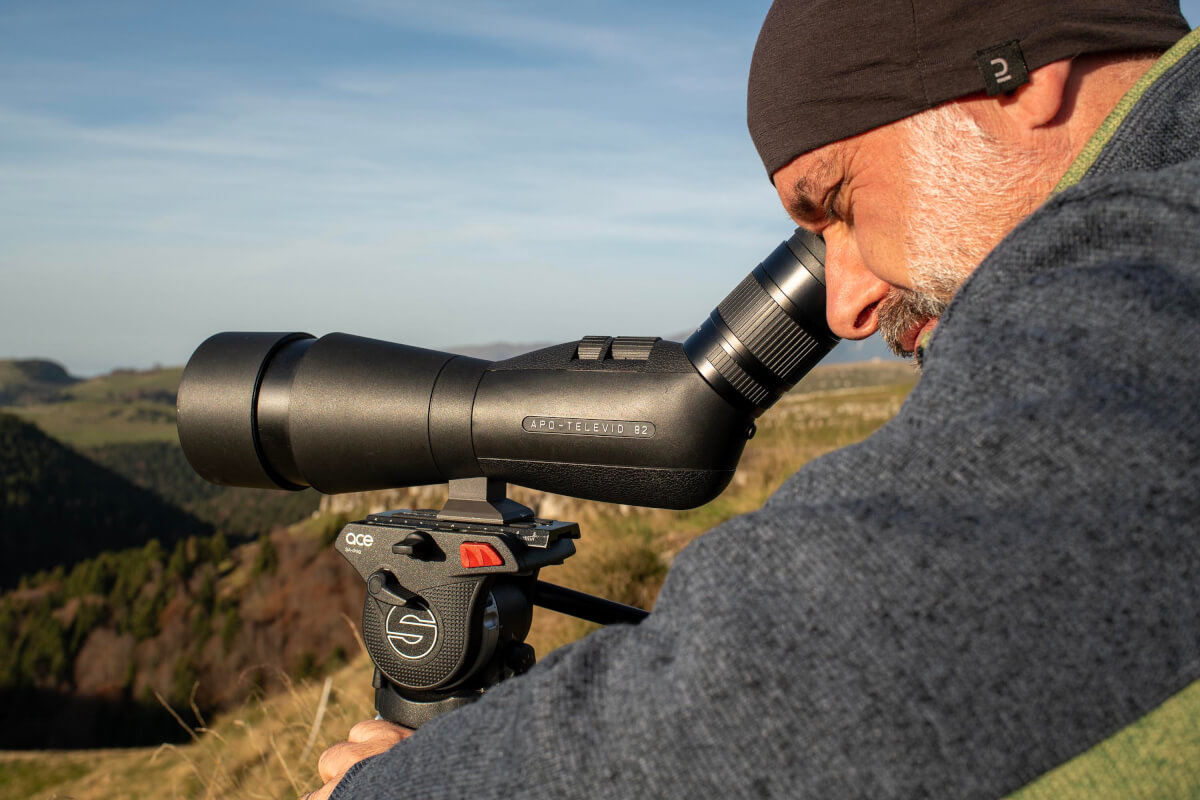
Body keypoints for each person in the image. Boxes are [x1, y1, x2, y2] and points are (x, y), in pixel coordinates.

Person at [308, 1, 1200, 797]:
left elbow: (809, 678)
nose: (845, 304)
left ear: (1016, 81)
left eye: (839, 205)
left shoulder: (1159, 276)